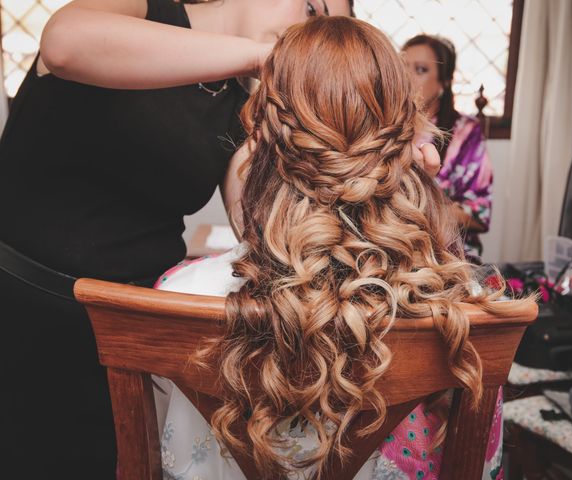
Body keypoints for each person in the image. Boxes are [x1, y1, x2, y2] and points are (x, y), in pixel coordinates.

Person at [154, 16, 527, 480]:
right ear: (405, 137)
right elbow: (483, 469)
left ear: (263, 138)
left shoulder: (181, 294)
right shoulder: (468, 308)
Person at [0, 1, 354, 478]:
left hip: (130, 329)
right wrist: (259, 56)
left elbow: (257, 220)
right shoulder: (146, 8)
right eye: (311, 7)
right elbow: (64, 43)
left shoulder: (242, 109)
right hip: (22, 308)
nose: (305, 32)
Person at [402, 34, 493, 259]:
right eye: (401, 67)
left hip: (447, 252)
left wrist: (416, 209)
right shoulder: (385, 125)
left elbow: (478, 214)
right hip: (394, 244)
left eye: (420, 70)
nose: (407, 77)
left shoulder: (465, 132)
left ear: (444, 82)